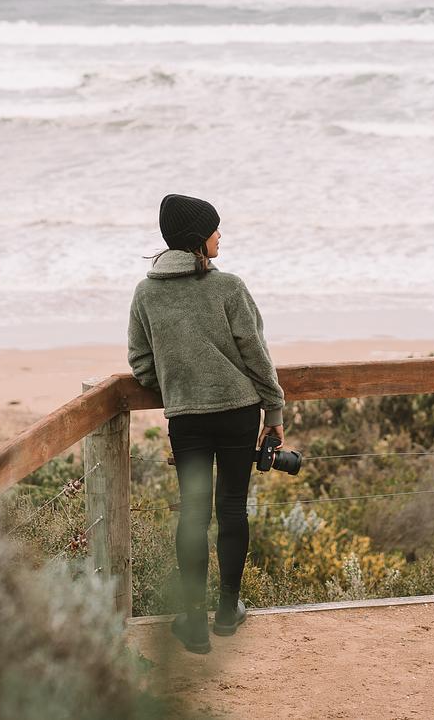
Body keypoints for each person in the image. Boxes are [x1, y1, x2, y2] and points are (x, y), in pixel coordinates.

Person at [127, 193, 287, 654]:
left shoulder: (146, 292)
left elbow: (140, 360)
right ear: (199, 240)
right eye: (216, 229)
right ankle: (227, 613)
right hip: (239, 413)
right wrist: (273, 411)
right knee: (233, 509)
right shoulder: (228, 287)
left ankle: (193, 624)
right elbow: (256, 355)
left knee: (194, 514)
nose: (221, 236)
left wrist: (176, 384)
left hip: (186, 418)